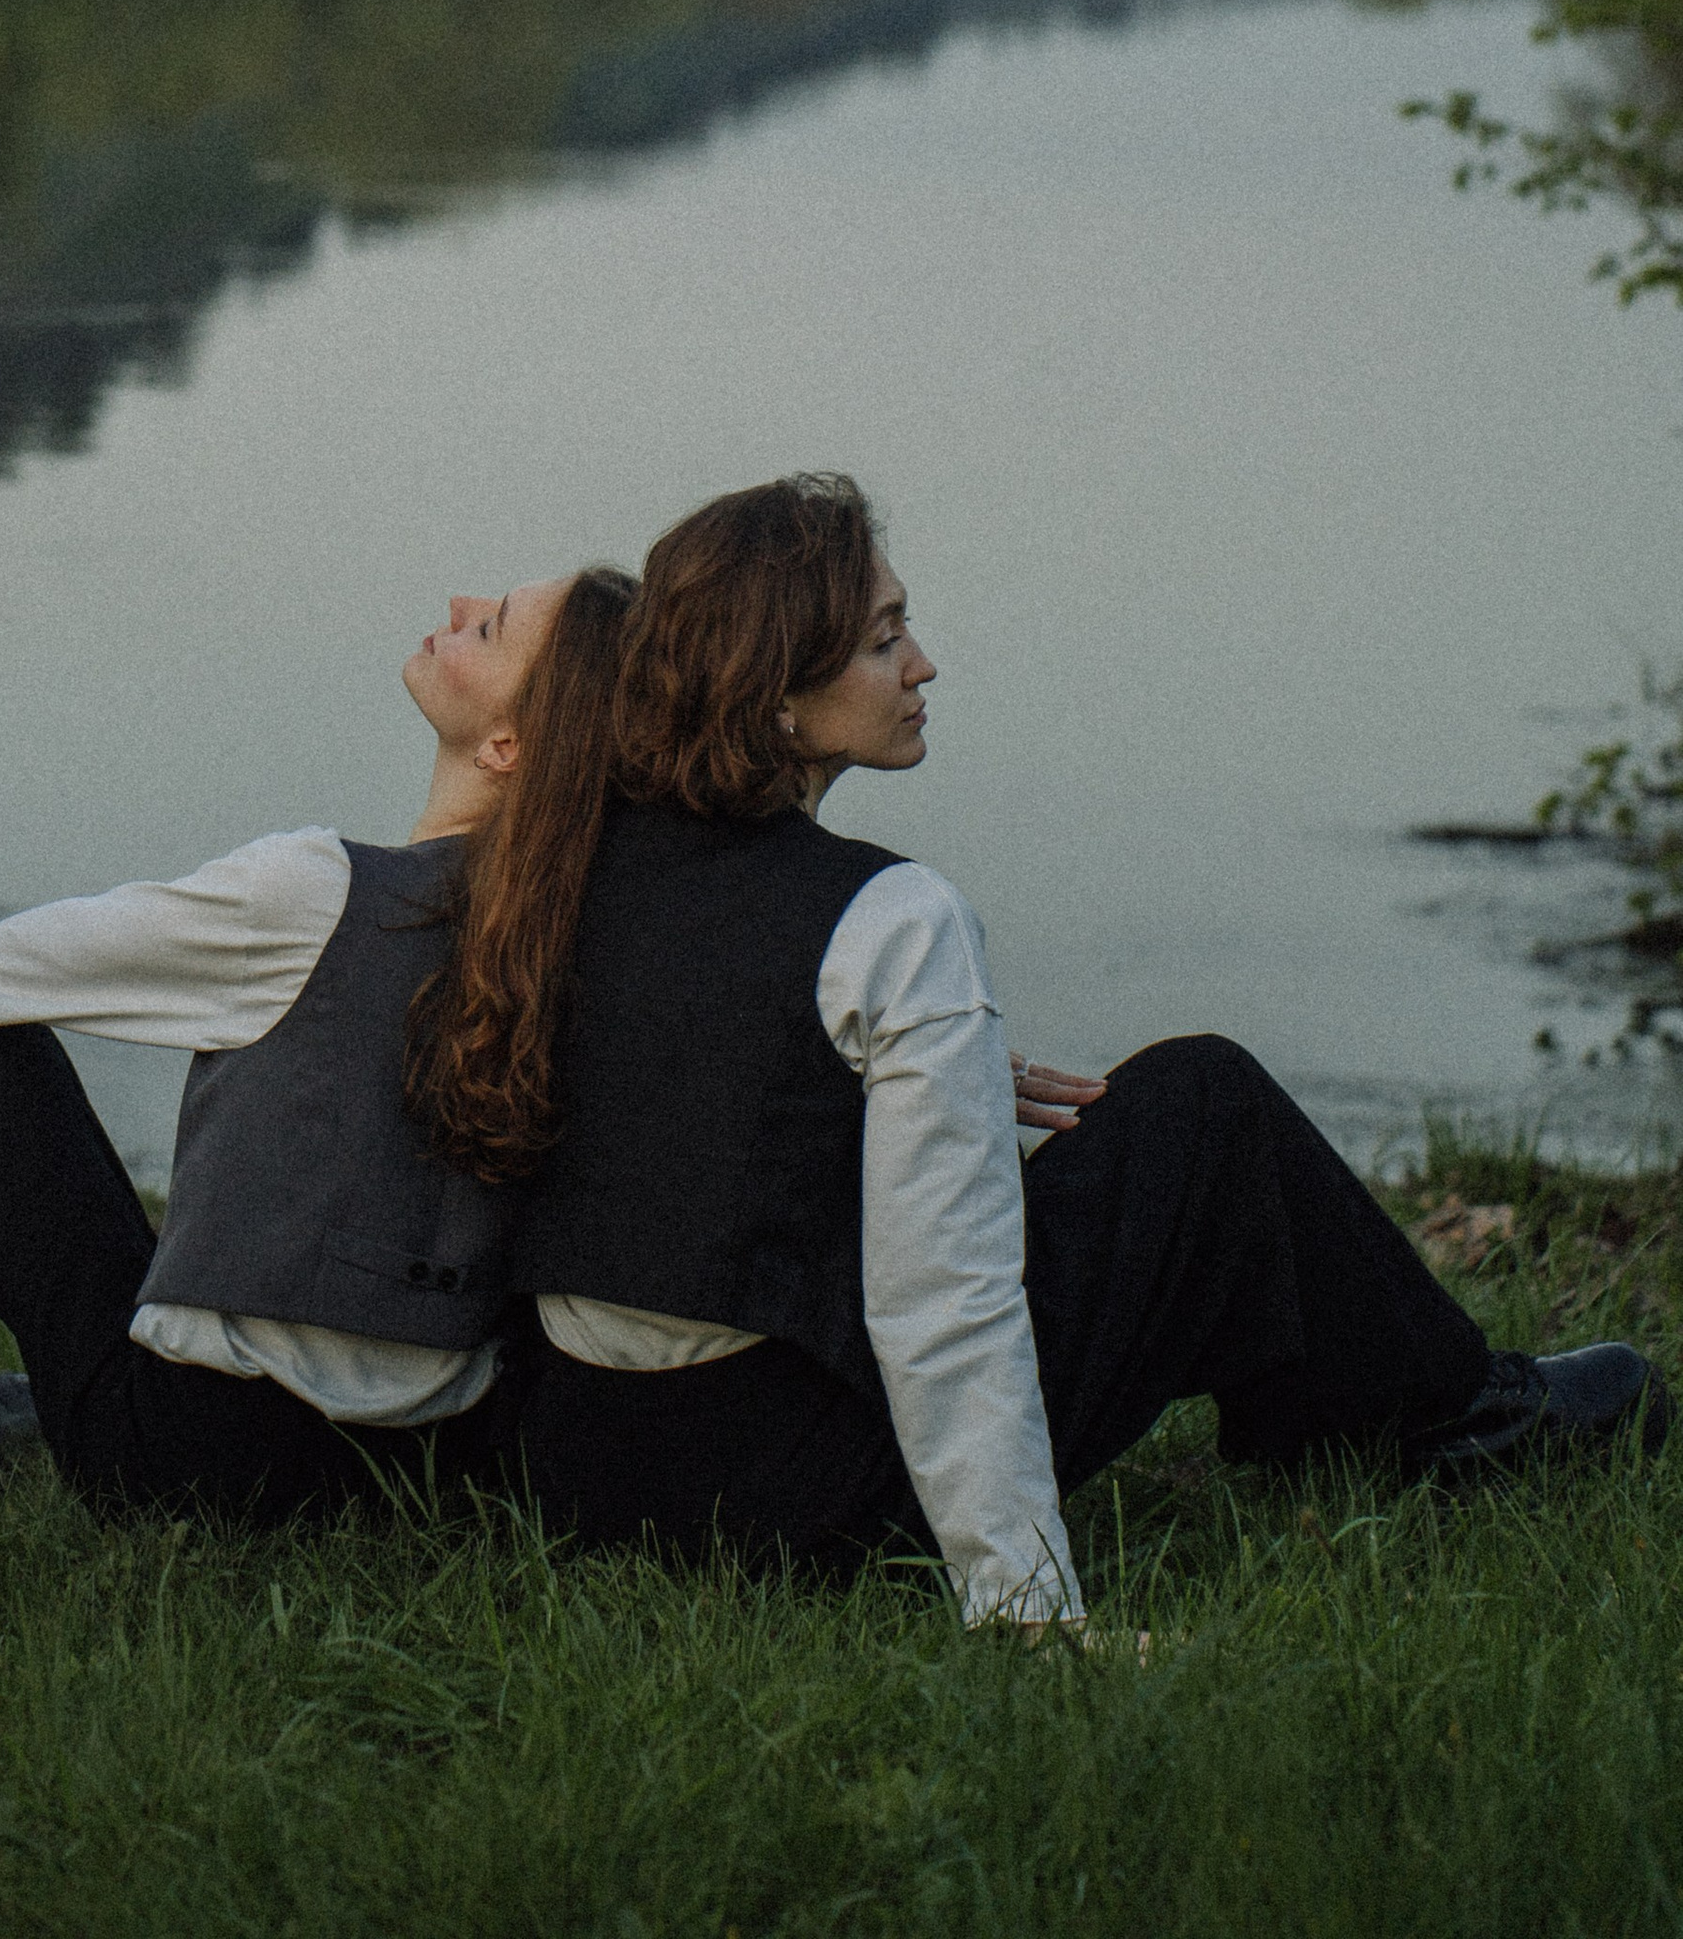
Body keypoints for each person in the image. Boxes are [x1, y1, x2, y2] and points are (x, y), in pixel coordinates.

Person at [404, 473, 1668, 1625]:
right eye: (885, 639)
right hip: (798, 1502)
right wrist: (1022, 1601)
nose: (925, 665)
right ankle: (1454, 1417)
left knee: (1143, 1134)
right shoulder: (892, 919)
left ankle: (1340, 1416)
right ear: (777, 696)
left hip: (577, 1467)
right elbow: (943, 1306)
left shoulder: (559, 862)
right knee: (1199, 1104)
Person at [0, 564, 631, 1525]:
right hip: (431, 1465)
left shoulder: (311, 894)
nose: (461, 603)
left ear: (506, 744)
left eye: (493, 627)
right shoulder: (616, 938)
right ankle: (30, 1402)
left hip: (187, 1460)